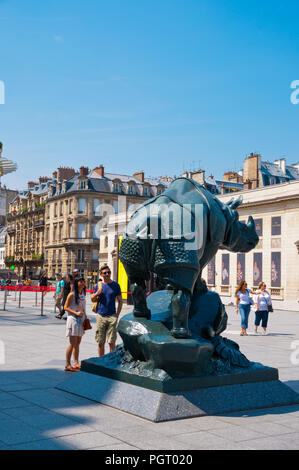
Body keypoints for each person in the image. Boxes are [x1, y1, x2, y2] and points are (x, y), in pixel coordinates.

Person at [91, 265, 123, 357]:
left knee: (111, 342)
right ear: (101, 274)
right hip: (101, 316)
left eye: (109, 272)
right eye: (105, 273)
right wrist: (97, 293)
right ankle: (101, 361)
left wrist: (117, 315)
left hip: (112, 316)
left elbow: (120, 301)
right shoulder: (99, 285)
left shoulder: (115, 285)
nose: (107, 274)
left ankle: (111, 361)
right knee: (101, 342)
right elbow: (92, 299)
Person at [64, 277, 88, 372]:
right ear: (76, 283)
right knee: (72, 343)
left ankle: (76, 362)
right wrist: (76, 312)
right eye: (80, 282)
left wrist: (85, 317)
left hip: (80, 320)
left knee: (78, 342)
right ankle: (67, 364)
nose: (82, 283)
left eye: (83, 282)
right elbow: (65, 307)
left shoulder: (83, 294)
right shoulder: (72, 294)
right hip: (73, 320)